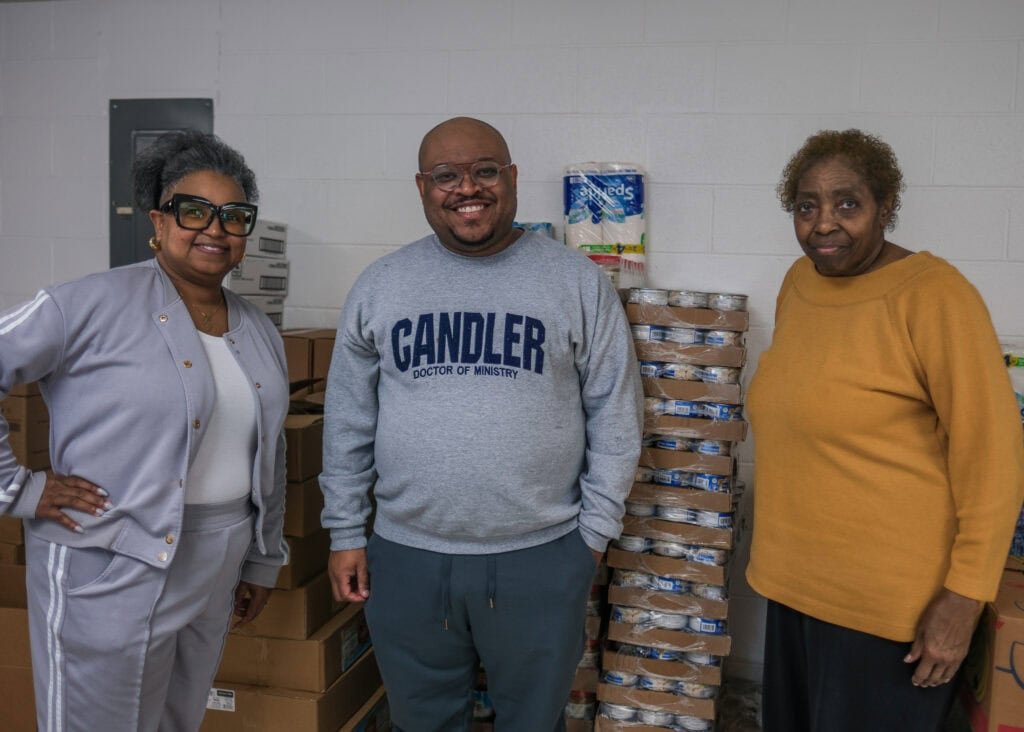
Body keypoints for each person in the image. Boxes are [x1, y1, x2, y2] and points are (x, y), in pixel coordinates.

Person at [320, 116, 643, 731]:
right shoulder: (381, 285)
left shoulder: (575, 281)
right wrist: (344, 532)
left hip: (541, 555)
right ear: (422, 188)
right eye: (446, 175)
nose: (467, 188)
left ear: (512, 177)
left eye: (485, 170)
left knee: (532, 722)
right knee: (423, 722)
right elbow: (347, 422)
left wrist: (593, 535)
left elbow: (617, 413)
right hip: (406, 556)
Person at [0, 130, 290, 731]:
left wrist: (261, 559)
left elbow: (270, 450)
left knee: (176, 721)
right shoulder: (87, 304)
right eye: (194, 211)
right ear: (159, 221)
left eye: (233, 216)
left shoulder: (258, 328)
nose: (215, 228)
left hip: (216, 563)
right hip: (110, 563)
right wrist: (19, 490)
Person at [746, 128, 1024, 731]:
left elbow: (995, 459)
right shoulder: (800, 282)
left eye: (847, 204)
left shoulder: (934, 296)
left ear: (885, 207)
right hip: (794, 590)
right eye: (806, 206)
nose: (824, 224)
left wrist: (964, 598)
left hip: (889, 613)